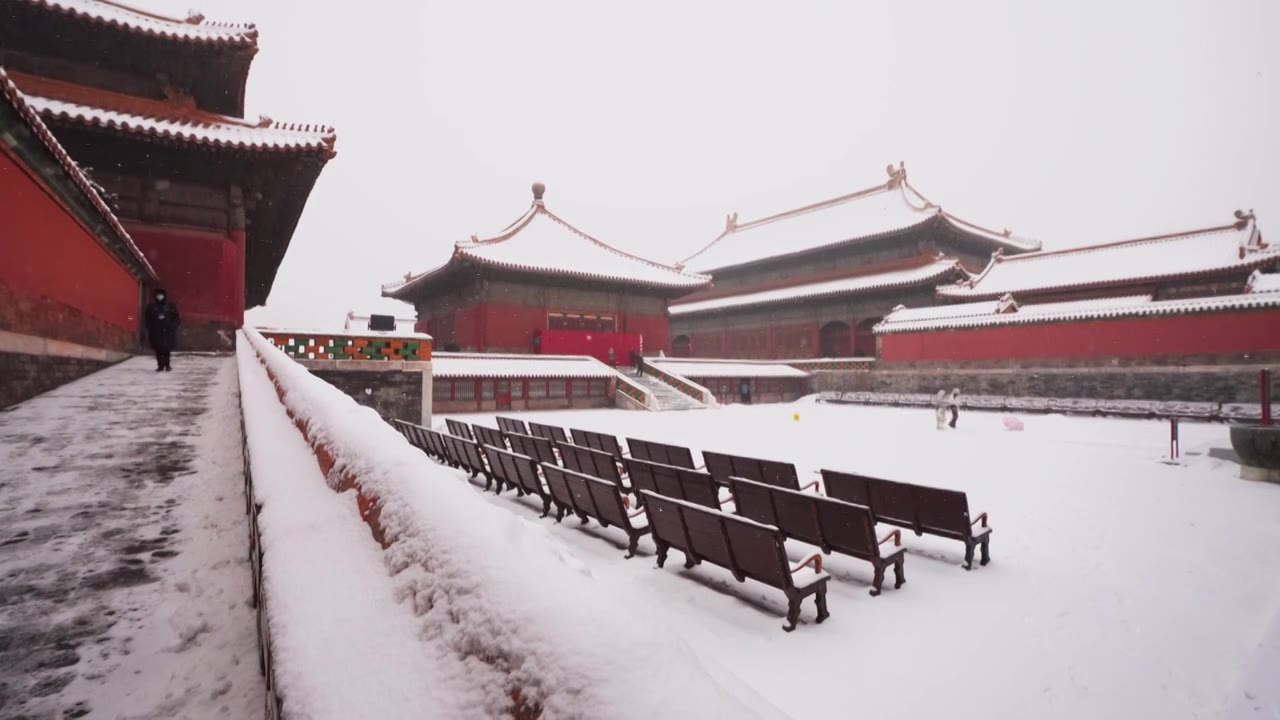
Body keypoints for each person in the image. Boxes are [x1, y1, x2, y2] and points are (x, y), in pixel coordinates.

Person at [144, 288, 180, 372]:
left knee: (166, 349)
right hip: (156, 331)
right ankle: (160, 365)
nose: (159, 296)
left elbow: (176, 318)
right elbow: (147, 318)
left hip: (167, 331)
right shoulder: (151, 307)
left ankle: (167, 365)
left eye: (161, 295)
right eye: (158, 295)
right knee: (158, 349)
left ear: (164, 296)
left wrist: (173, 327)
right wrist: (149, 327)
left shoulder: (170, 306)